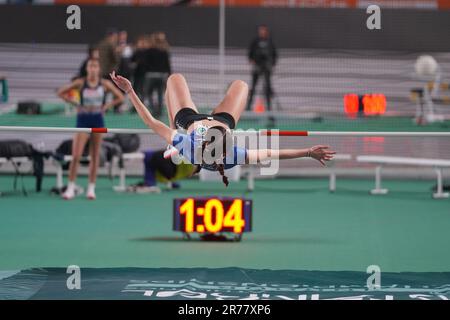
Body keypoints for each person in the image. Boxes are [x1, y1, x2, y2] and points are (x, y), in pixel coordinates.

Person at [110, 71, 335, 186]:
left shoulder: (189, 146)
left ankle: (171, 135)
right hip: (224, 118)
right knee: (242, 85)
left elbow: (150, 121)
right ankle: (216, 114)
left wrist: (130, 91)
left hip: (188, 119)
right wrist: (307, 152)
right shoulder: (232, 155)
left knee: (174, 79)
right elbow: (271, 154)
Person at [57, 58, 124, 200]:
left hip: (98, 122)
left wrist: (106, 107)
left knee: (94, 156)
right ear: (87, 68)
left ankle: (91, 188)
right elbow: (60, 92)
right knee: (76, 156)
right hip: (83, 121)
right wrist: (75, 104)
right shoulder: (80, 83)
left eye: (95, 66)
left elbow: (120, 97)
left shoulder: (104, 84)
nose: (93, 69)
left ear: (99, 69)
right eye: (90, 66)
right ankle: (70, 188)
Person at [246, 25, 277, 111]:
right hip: (257, 68)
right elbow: (250, 53)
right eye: (260, 30)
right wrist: (252, 60)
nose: (262, 32)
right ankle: (248, 108)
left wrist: (271, 64)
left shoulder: (270, 42)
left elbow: (274, 54)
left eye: (263, 30)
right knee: (253, 87)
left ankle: (269, 108)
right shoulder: (255, 41)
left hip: (266, 69)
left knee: (267, 88)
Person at [143, 32, 172, 118]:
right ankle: (159, 111)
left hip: (150, 75)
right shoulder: (164, 51)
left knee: (148, 93)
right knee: (160, 94)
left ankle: (153, 110)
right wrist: (169, 75)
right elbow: (168, 65)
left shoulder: (149, 51)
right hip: (161, 76)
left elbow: (145, 63)